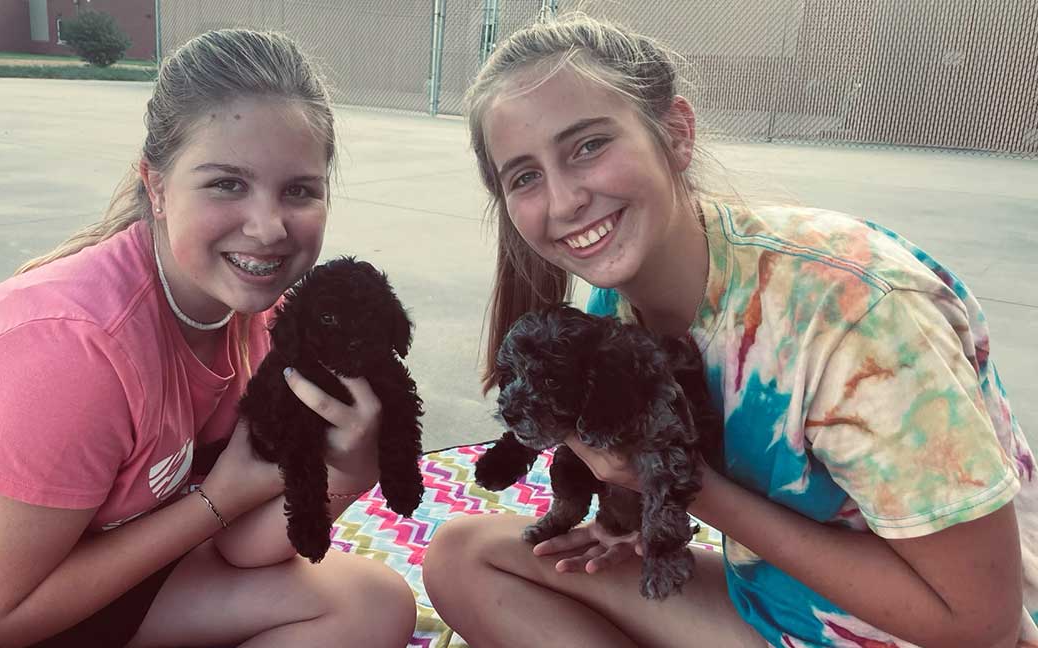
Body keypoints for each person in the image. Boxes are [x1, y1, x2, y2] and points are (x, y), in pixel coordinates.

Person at [423, 13, 1037, 648]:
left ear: (676, 134)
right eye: (524, 176)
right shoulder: (613, 309)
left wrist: (682, 483)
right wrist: (625, 522)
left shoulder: (852, 314)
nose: (563, 200)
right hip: (772, 612)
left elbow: (979, 623)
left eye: (588, 146)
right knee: (467, 558)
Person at [0, 28, 416, 648]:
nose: (268, 227)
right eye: (227, 183)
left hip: (107, 557)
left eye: (298, 190)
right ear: (157, 186)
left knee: (370, 606)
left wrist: (348, 465)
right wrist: (214, 502)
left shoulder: (261, 323)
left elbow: (246, 549)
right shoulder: (72, 348)